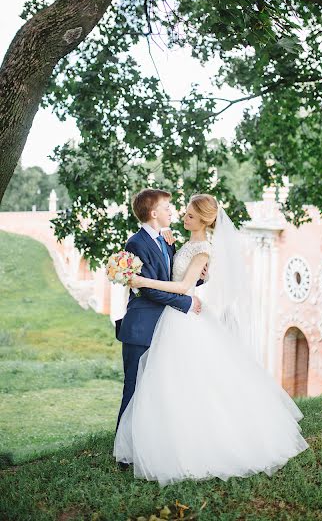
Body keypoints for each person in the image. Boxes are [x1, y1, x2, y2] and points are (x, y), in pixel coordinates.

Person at [114, 194, 309, 485]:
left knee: (172, 386)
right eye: (173, 210)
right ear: (154, 213)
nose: (180, 215)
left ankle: (167, 443)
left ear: (203, 219)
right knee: (140, 386)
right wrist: (186, 291)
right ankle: (127, 451)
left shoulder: (201, 249)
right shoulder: (156, 242)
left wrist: (160, 284)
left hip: (174, 322)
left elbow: (181, 284)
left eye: (188, 215)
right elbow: (178, 281)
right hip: (152, 322)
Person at [115, 188, 203, 434]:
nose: (171, 211)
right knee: (133, 387)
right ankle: (123, 449)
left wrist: (198, 280)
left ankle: (149, 440)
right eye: (167, 207)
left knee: (157, 388)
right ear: (154, 213)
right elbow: (148, 289)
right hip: (140, 327)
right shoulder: (136, 243)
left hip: (164, 327)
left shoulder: (166, 241)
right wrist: (185, 303)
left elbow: (169, 279)